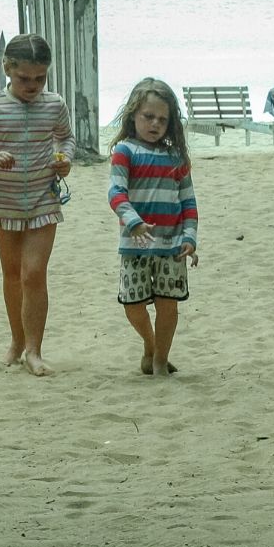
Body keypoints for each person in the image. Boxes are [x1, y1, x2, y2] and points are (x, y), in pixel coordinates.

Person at [0, 33, 74, 376]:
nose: (33, 85)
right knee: (12, 276)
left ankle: (35, 351)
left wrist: (64, 159)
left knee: (34, 274)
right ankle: (16, 341)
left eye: (40, 78)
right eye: (24, 78)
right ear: (7, 69)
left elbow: (66, 138)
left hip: (43, 198)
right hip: (4, 202)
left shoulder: (55, 104)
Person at [108, 78, 198, 376]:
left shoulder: (175, 157)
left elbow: (188, 201)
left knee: (168, 305)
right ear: (133, 114)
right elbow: (116, 193)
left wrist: (190, 237)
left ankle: (160, 360)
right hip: (135, 245)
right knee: (133, 305)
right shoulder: (125, 151)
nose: (155, 124)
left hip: (171, 247)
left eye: (162, 119)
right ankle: (150, 346)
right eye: (148, 117)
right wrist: (133, 222)